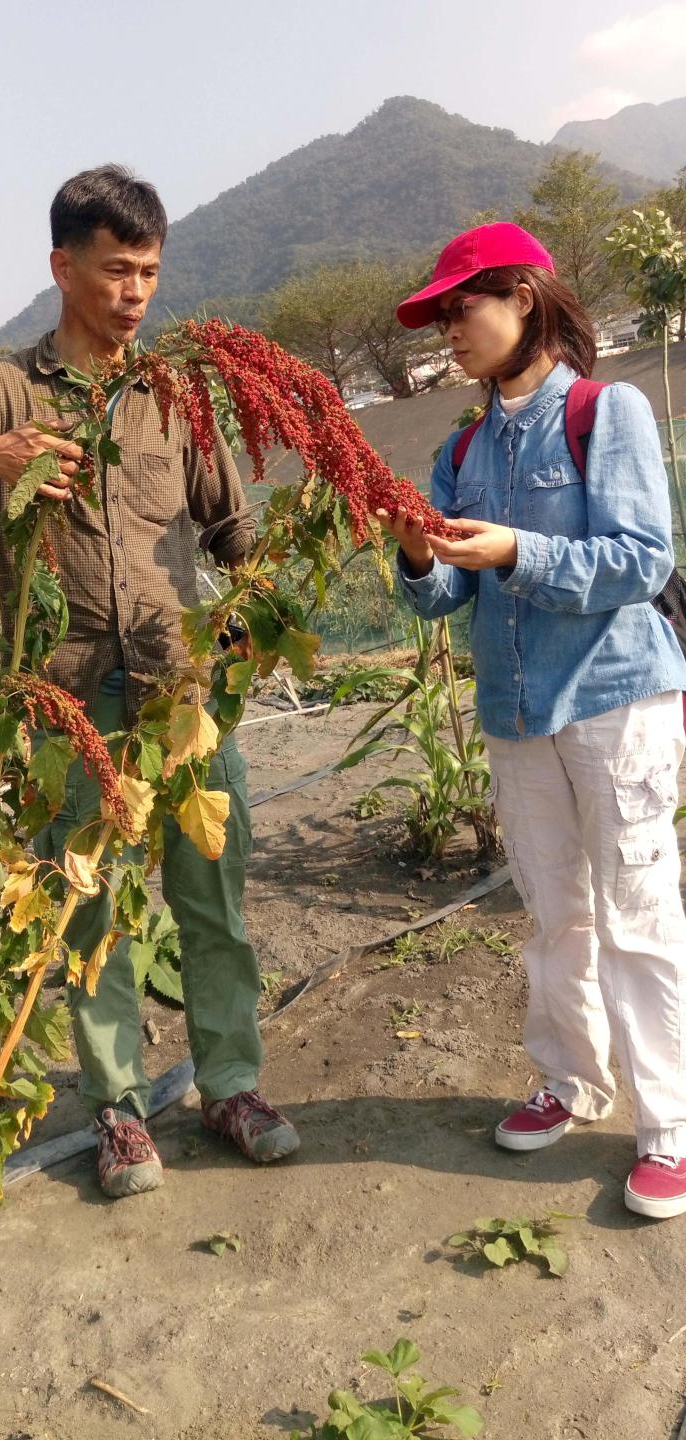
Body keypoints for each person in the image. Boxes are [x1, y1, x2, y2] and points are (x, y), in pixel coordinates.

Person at [0, 164, 299, 1199]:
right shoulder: (7, 389)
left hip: (179, 693)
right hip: (66, 704)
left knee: (212, 896)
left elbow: (233, 532)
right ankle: (117, 1109)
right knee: (88, 908)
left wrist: (265, 601)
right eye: (117, 269)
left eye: (149, 271)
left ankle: (230, 1084)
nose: (136, 292)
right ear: (63, 267)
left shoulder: (174, 393)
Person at [381, 221, 686, 1219]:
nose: (447, 334)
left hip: (613, 700)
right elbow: (437, 603)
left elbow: (642, 560)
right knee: (556, 916)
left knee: (638, 914)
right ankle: (572, 1080)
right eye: (438, 318)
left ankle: (669, 1127)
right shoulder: (461, 448)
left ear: (523, 297)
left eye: (460, 309)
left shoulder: (608, 413)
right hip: (516, 713)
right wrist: (418, 556)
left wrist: (519, 552)